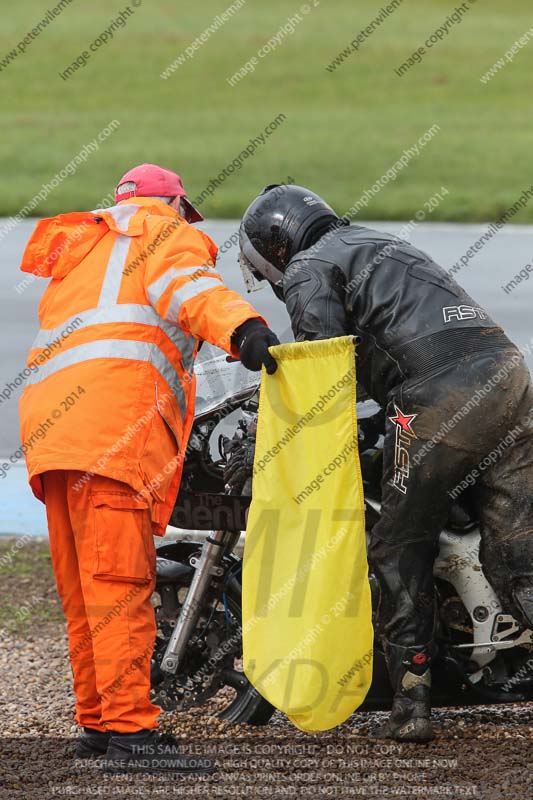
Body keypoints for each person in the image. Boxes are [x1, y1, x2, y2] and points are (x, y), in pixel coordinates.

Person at [235, 183, 533, 742]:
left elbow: (320, 370)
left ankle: (412, 704)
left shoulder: (307, 268)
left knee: (398, 545)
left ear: (275, 247)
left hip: (435, 399)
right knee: (519, 547)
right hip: (509, 378)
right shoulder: (382, 241)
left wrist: (277, 436)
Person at [18, 163, 279, 770]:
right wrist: (247, 332)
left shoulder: (84, 253)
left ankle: (98, 724)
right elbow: (193, 292)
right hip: (112, 434)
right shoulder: (162, 233)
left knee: (85, 592)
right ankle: (133, 736)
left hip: (54, 438)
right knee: (121, 589)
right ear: (176, 205)